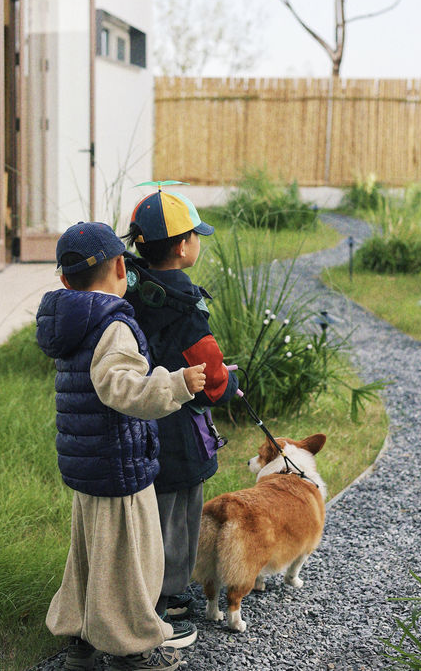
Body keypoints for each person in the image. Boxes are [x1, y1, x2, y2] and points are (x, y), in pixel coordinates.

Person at [35, 221, 207, 671]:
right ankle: (132, 648)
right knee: (132, 562)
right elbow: (123, 390)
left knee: (90, 558)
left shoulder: (73, 321)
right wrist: (176, 383)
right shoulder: (113, 327)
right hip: (118, 464)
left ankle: (82, 640)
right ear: (119, 267)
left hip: (86, 464)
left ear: (64, 280)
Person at [123, 187, 238, 622]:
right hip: (177, 429)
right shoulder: (186, 305)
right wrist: (232, 382)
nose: (198, 242)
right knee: (179, 510)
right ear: (183, 245)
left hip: (137, 417)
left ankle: (139, 584)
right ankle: (165, 597)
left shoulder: (129, 288)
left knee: (149, 510)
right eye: (196, 235)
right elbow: (211, 380)